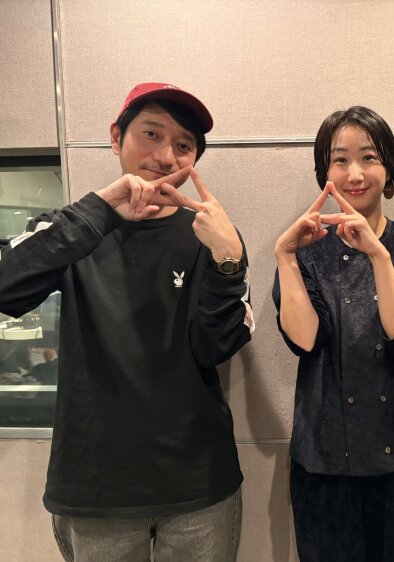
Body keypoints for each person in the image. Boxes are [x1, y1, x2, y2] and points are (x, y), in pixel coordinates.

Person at [0, 82, 254, 561]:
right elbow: (6, 287)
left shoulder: (211, 234)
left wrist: (228, 260)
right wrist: (97, 211)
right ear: (116, 137)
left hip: (197, 482)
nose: (166, 155)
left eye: (183, 145)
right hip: (95, 487)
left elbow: (217, 346)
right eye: (151, 134)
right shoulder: (74, 227)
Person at [272, 106, 394, 561]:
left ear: (388, 169)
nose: (355, 173)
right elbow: (304, 340)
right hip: (324, 457)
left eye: (369, 157)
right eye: (340, 160)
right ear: (324, 173)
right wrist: (285, 257)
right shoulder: (305, 252)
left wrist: (379, 256)